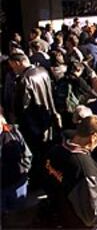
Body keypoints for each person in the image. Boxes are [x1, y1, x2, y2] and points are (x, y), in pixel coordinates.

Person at [43, 115, 97, 229]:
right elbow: (94, 214)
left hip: (64, 217)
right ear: (93, 137)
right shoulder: (83, 166)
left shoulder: (55, 151)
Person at [8, 53, 61, 188]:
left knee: (36, 156)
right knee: (48, 153)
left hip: (33, 125)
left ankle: (40, 182)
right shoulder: (42, 71)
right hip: (47, 119)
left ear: (18, 63)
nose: (13, 70)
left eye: (12, 66)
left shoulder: (25, 79)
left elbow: (21, 107)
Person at [0, 109, 32, 213]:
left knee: (18, 213)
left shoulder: (12, 131)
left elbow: (27, 153)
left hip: (18, 184)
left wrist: (26, 168)